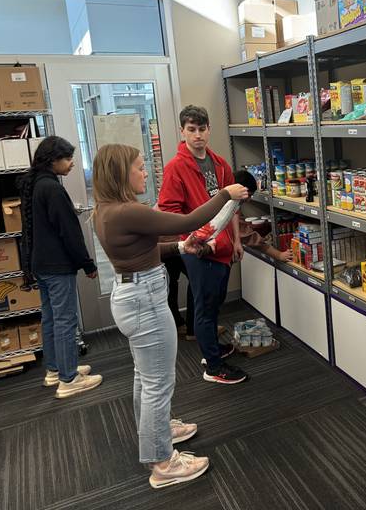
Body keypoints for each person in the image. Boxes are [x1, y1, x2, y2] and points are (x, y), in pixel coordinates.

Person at [92, 143, 248, 488]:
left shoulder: (104, 210)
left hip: (131, 294)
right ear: (121, 173)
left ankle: (156, 431)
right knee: (158, 384)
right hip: (144, 301)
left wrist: (179, 247)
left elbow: (141, 250)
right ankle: (162, 462)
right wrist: (225, 193)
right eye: (139, 167)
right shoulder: (127, 211)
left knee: (145, 377)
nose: (145, 172)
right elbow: (190, 220)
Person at [158, 105, 247, 385]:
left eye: (202, 129)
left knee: (215, 301)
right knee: (205, 308)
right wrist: (191, 241)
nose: (197, 135)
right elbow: (170, 212)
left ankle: (212, 351)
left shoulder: (220, 163)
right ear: (182, 131)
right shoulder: (176, 167)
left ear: (209, 129)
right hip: (198, 250)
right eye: (191, 130)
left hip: (222, 247)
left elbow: (233, 206)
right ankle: (214, 366)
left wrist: (236, 241)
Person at [17, 135, 102, 399]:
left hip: (40, 264)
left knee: (51, 318)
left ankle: (55, 369)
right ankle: (69, 379)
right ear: (53, 160)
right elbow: (69, 231)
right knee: (66, 320)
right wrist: (86, 263)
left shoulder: (35, 185)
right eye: (68, 158)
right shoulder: (52, 188)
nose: (72, 163)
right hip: (56, 266)